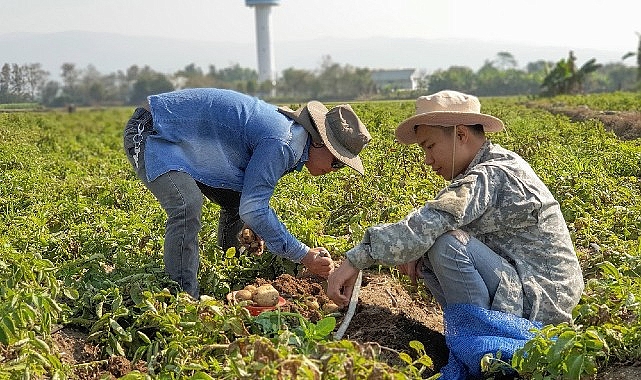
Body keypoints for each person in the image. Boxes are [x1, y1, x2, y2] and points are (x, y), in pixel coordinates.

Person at [327, 90, 584, 326]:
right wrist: (417, 250)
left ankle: (485, 345)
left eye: (430, 146)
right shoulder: (493, 164)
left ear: (461, 134)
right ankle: (473, 337)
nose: (427, 160)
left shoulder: (490, 174)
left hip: (541, 302)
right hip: (533, 289)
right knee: (431, 245)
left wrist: (356, 260)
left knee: (447, 244)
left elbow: (433, 220)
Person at [123, 88, 371, 299]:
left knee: (236, 199)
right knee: (186, 205)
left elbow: (249, 201)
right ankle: (182, 297)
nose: (334, 169)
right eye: (337, 161)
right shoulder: (283, 143)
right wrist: (303, 255)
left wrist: (259, 228)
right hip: (153, 130)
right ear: (319, 142)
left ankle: (228, 267)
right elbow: (254, 207)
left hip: (186, 140)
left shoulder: (292, 138)